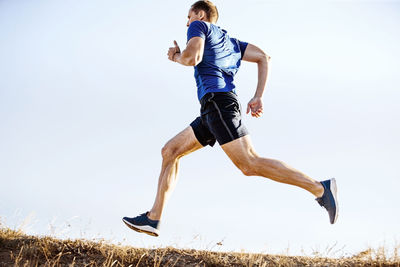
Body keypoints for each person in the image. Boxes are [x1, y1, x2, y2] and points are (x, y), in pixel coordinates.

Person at [123, 0, 338, 237]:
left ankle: (319, 188)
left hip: (218, 104)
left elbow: (192, 58)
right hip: (212, 108)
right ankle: (154, 218)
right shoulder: (232, 43)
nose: (187, 22)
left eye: (189, 16)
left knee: (249, 163)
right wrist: (258, 96)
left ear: (201, 14)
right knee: (170, 151)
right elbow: (264, 57)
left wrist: (176, 56)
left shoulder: (199, 27)